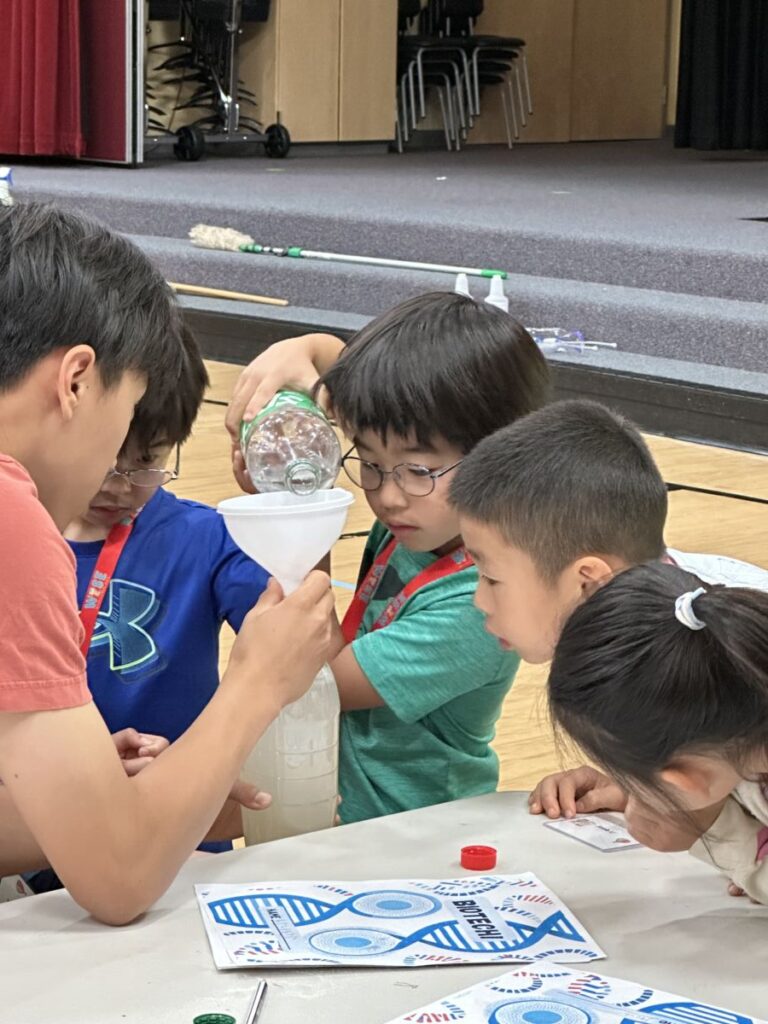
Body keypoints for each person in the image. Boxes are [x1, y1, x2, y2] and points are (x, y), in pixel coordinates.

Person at [0, 203, 332, 924]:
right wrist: (257, 684)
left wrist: (82, 803)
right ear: (78, 380)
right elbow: (120, 882)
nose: (116, 471)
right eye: (127, 415)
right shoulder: (10, 517)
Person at [227, 292, 551, 823]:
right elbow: (348, 373)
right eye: (371, 464)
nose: (388, 495)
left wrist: (301, 516)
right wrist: (305, 346)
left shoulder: (478, 608)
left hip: (416, 836)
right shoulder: (424, 522)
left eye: (418, 470)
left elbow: (313, 678)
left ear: (503, 455)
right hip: (345, 823)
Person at [447, 399, 768, 814]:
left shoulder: (713, 644)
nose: (479, 599)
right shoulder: (663, 623)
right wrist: (637, 783)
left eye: (491, 577)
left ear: (588, 581)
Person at [545, 562, 768, 905]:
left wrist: (710, 830)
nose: (637, 795)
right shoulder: (742, 692)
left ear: (685, 783)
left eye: (640, 785)